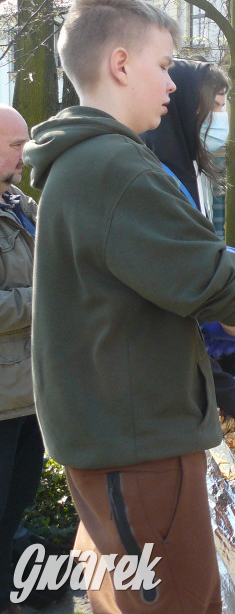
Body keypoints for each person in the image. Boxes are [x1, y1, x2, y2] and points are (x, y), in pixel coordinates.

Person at [23, 0, 235, 614]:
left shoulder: (79, 161)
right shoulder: (115, 167)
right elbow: (226, 288)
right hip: (144, 452)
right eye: (163, 64)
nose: (174, 84)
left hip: (121, 446)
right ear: (120, 65)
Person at [141, 59, 235, 446]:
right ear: (193, 107)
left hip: (198, 383)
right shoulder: (156, 178)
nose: (224, 117)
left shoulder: (193, 173)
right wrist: (229, 390)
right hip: (165, 405)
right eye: (219, 104)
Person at [0, 108, 41, 614]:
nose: (25, 153)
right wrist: (50, 296)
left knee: (14, 511)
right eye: (15, 144)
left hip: (31, 392)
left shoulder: (20, 203)